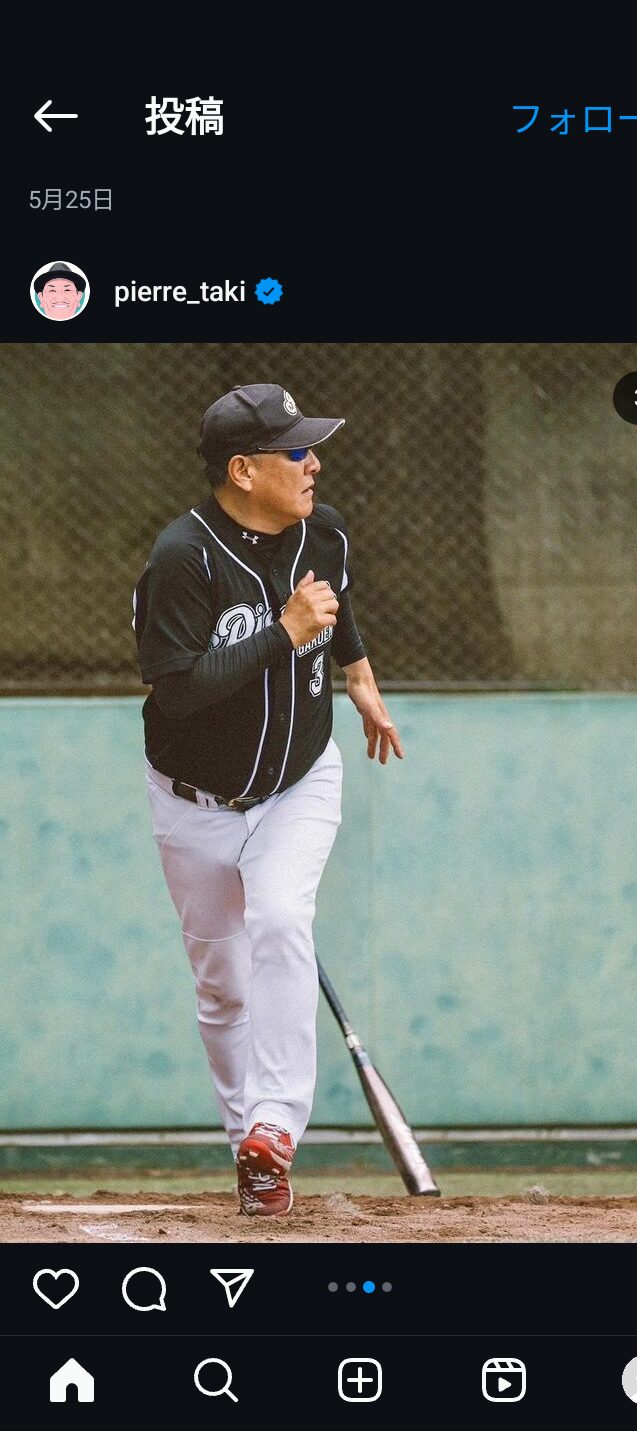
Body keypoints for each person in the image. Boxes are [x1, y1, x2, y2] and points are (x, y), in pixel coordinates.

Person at [133, 384, 403, 1217]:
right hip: (194, 803)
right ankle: (248, 1155)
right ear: (243, 471)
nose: (313, 461)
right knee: (223, 987)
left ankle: (274, 1127)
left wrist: (361, 679)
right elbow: (177, 692)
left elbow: (336, 608)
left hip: (299, 782)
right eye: (295, 450)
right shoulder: (182, 558)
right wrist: (281, 632)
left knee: (282, 919)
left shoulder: (324, 531)